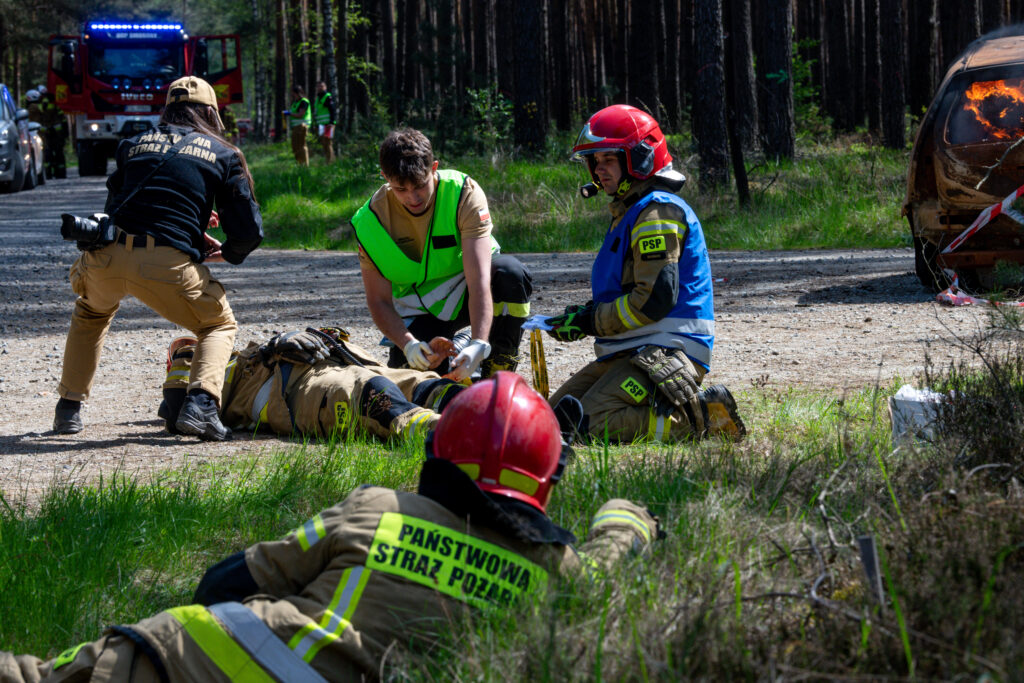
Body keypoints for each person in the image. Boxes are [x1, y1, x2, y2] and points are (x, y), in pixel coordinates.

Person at [1, 372, 660, 682]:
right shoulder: (558, 575)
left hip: (194, 662)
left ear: (438, 458)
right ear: (545, 483)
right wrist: (629, 519)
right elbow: (609, 557)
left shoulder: (381, 509)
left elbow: (228, 582)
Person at [52, 76, 263, 441]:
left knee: (91, 312)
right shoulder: (224, 154)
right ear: (210, 113)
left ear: (168, 110)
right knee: (217, 324)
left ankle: (68, 408)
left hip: (106, 256)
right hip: (165, 266)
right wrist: (228, 252)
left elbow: (120, 206)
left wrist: (191, 226)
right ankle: (202, 405)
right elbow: (248, 230)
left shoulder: (132, 144)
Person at [546, 104, 745, 444]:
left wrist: (590, 321)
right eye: (594, 161)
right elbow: (623, 295)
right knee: (553, 422)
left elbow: (654, 300)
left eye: (609, 159)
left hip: (666, 349)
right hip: (629, 349)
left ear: (639, 159)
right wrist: (580, 317)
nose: (599, 170)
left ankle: (702, 418)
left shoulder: (657, 212)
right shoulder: (629, 213)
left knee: (585, 424)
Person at [352, 128, 533, 381]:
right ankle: (457, 346)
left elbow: (479, 280)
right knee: (421, 385)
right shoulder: (370, 222)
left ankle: (497, 371)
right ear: (385, 177)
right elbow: (378, 300)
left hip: (468, 290)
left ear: (434, 168)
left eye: (420, 185)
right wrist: (408, 344)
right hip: (420, 309)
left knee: (510, 273)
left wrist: (479, 343)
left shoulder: (463, 193)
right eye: (400, 189)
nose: (413, 197)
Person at [159, 327, 467, 441]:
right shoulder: (198, 368)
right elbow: (177, 413)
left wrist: (283, 343)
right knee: (363, 391)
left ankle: (479, 410)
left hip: (333, 360)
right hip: (289, 392)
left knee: (422, 384)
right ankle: (453, 434)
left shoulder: (241, 354)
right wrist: (186, 355)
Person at [39, 89, 68, 179]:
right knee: (58, 153)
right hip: (57, 134)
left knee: (49, 154)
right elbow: (63, 120)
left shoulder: (41, 106)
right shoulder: (56, 105)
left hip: (48, 134)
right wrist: (64, 133)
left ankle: (49, 174)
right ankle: (60, 173)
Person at [285, 84, 311, 166]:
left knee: (302, 146)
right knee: (295, 146)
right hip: (296, 127)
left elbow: (300, 114)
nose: (292, 95)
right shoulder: (295, 103)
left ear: (297, 93)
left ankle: (305, 165)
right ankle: (300, 164)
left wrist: (289, 114)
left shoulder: (304, 101)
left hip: (302, 126)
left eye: (293, 93)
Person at [312, 80, 337, 162]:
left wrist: (331, 122)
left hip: (328, 124)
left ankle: (331, 162)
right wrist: (315, 124)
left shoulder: (327, 97)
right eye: (318, 86)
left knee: (328, 143)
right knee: (324, 143)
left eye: (321, 86)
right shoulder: (318, 98)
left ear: (325, 87)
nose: (320, 88)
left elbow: (333, 110)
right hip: (321, 125)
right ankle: (328, 160)